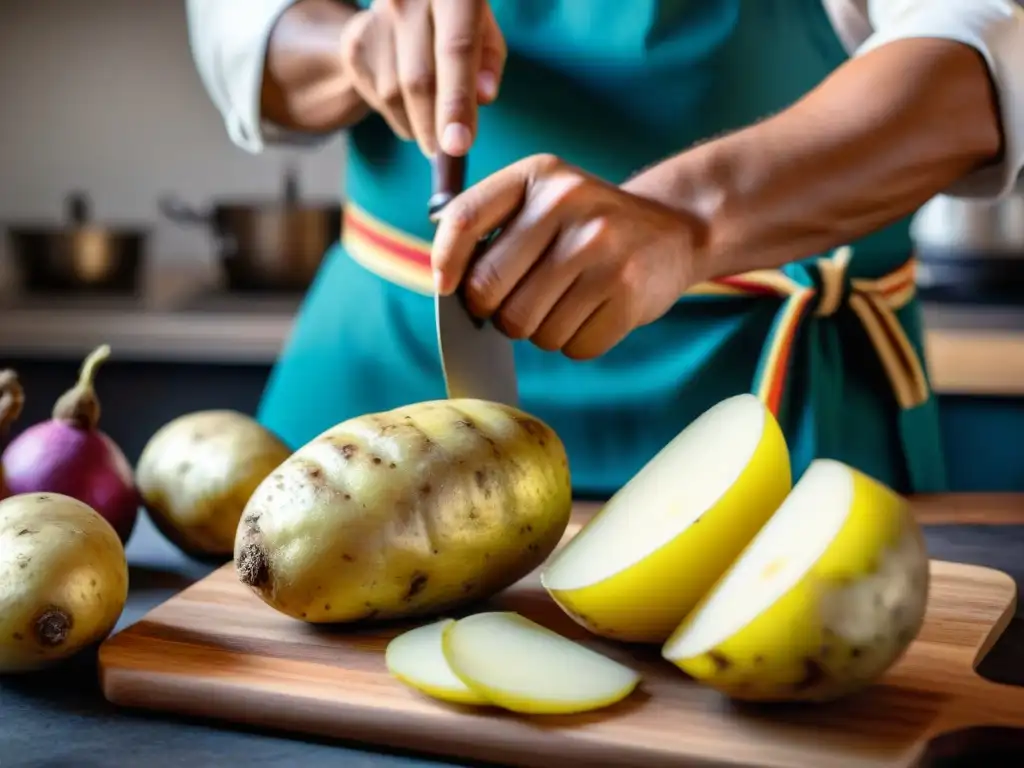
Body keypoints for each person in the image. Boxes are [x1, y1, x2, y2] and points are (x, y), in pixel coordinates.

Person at [185, 0, 1023, 498]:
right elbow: (241, 26)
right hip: (377, 383)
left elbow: (983, 56)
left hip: (762, 407)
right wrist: (352, 46)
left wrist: (687, 219)